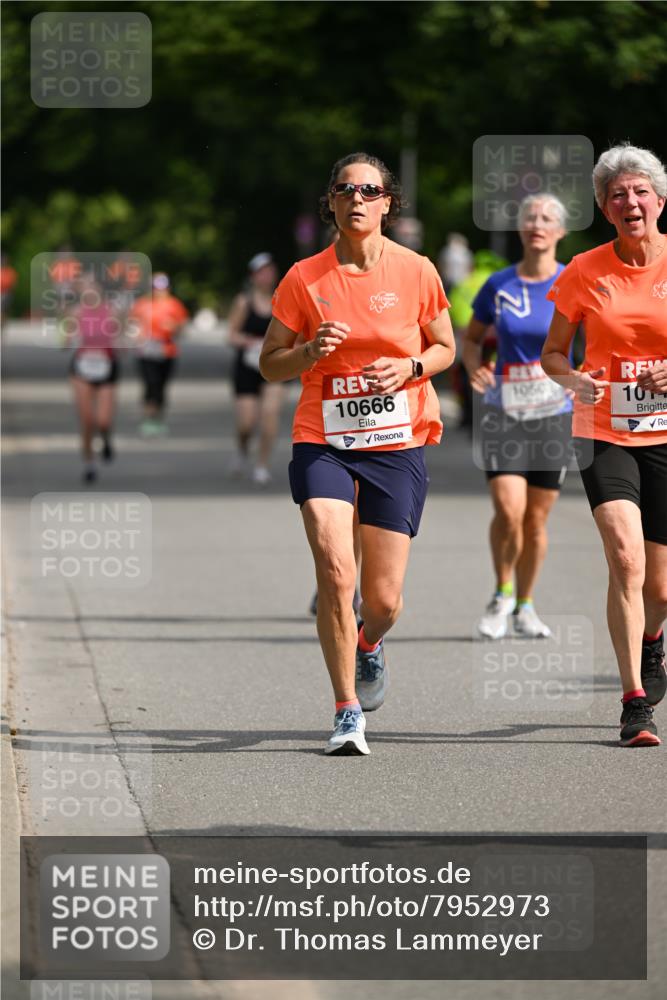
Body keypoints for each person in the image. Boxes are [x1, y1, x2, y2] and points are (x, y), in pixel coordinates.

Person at [260, 152, 455, 755]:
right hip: (324, 437)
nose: (358, 199)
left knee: (385, 600)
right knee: (335, 567)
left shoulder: (417, 271)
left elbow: (446, 347)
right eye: (346, 190)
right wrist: (310, 352)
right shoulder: (304, 278)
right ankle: (346, 710)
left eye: (370, 190)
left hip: (396, 442)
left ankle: (368, 643)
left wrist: (412, 366)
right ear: (333, 202)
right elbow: (270, 364)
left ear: (388, 203)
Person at [542, 143, 667, 748]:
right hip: (602, 429)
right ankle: (633, 703)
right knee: (625, 558)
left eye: (640, 191)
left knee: (662, 589)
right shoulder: (583, 271)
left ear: (660, 200)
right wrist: (572, 379)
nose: (630, 201)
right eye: (617, 194)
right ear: (603, 207)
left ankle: (652, 641)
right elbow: (552, 354)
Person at [463, 194, 571, 640]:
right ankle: (501, 592)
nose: (537, 224)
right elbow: (469, 342)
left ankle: (525, 604)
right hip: (503, 411)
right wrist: (474, 367)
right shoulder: (499, 285)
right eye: (529, 217)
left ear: (561, 231)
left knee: (536, 521)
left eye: (547, 218)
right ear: (520, 229)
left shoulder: (574, 282)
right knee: (509, 510)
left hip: (554, 413)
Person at [227, 253, 284, 485]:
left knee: (269, 414)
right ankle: (242, 450)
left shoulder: (282, 300)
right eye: (261, 272)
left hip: (275, 366)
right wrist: (248, 342)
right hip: (247, 367)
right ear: (253, 276)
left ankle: (262, 465)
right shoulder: (244, 302)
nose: (266, 276)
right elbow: (231, 335)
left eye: (270, 271)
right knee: (246, 423)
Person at [65, 275, 120, 483]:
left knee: (103, 420)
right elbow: (64, 341)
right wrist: (69, 336)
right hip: (82, 366)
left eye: (92, 288)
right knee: (87, 419)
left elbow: (123, 339)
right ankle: (89, 464)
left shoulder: (112, 311)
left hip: (106, 366)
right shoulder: (76, 312)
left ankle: (105, 439)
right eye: (84, 289)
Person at [130, 272, 188, 436]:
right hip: (147, 350)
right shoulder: (142, 304)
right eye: (156, 288)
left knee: (161, 386)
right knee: (150, 383)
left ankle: (158, 418)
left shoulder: (174, 305)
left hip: (166, 350)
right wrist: (137, 334)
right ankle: (148, 418)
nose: (160, 291)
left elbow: (183, 328)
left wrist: (174, 327)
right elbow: (132, 325)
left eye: (163, 288)